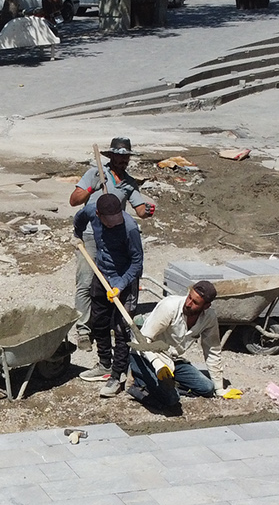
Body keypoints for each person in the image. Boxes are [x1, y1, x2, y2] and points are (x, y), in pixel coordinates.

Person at [68, 138, 154, 345]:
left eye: (126, 157)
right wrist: (92, 188)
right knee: (87, 281)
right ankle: (83, 329)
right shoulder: (95, 173)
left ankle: (108, 324)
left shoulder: (129, 183)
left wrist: (148, 211)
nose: (123, 160)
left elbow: (140, 210)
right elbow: (74, 201)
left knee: (112, 280)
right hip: (90, 234)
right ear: (112, 156)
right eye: (120, 156)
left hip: (113, 237)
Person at [74, 192, 144, 398]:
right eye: (109, 223)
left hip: (124, 280)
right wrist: (77, 235)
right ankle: (104, 364)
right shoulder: (91, 211)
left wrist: (120, 285)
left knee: (122, 329)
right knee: (99, 322)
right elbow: (79, 218)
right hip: (101, 273)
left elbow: (137, 262)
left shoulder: (130, 228)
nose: (114, 225)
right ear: (99, 215)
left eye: (117, 222)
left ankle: (117, 375)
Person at [129, 280, 225, 412]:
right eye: (189, 297)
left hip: (172, 359)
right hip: (144, 356)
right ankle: (139, 383)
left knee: (207, 388)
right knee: (171, 399)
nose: (189, 303)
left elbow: (212, 350)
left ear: (206, 306)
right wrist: (158, 365)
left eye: (195, 302)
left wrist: (219, 389)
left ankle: (165, 386)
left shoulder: (209, 317)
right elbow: (143, 340)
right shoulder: (170, 307)